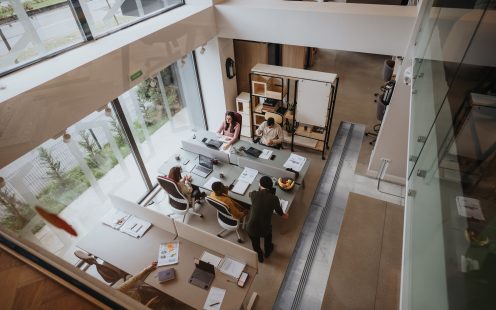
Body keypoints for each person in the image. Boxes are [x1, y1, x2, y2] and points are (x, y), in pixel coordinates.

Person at [246, 176, 288, 263]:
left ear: (260, 185)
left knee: (255, 244)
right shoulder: (274, 198)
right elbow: (280, 213)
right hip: (265, 229)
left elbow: (249, 194)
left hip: (251, 228)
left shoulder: (254, 194)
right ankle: (268, 252)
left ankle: (260, 257)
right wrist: (285, 215)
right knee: (268, 236)